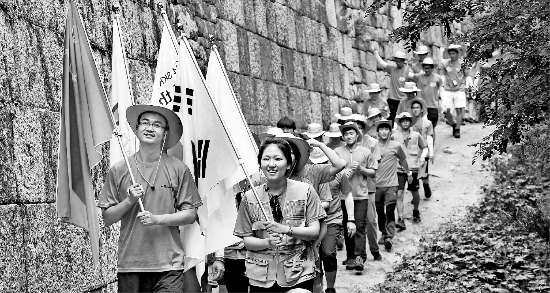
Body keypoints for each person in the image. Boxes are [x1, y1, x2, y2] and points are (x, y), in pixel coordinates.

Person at [99, 105, 202, 292]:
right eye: (144, 123)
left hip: (169, 264)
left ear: (165, 133)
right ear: (136, 129)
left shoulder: (179, 169)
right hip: (131, 263)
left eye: (157, 125)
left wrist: (158, 219)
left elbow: (190, 214)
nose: (150, 128)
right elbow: (107, 218)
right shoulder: (120, 169)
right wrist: (129, 201)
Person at [234, 137, 326, 292]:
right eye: (266, 159)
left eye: (278, 159)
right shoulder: (250, 197)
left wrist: (286, 229)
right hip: (260, 277)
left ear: (289, 163)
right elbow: (247, 240)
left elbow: (314, 232)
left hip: (298, 272)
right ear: (260, 163)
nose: (271, 164)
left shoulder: (306, 191)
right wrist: (267, 243)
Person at [309, 147, 355, 293]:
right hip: (311, 221)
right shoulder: (307, 174)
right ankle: (318, 287)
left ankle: (330, 288)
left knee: (328, 253)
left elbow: (347, 195)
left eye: (323, 161)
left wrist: (351, 219)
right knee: (313, 256)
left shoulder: (339, 174)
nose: (320, 165)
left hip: (332, 219)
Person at [334, 122, 377, 272]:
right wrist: (342, 173)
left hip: (360, 195)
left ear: (357, 135)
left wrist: (361, 169)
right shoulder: (337, 152)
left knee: (359, 226)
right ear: (343, 137)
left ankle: (359, 257)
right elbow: (330, 171)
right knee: (347, 227)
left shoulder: (365, 151)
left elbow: (373, 172)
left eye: (351, 133)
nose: (349, 136)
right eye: (346, 134)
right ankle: (351, 255)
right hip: (343, 196)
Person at [374, 119, 411, 252]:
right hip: (376, 185)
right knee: (379, 212)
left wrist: (408, 173)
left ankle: (389, 236)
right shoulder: (373, 146)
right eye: (381, 129)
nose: (384, 131)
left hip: (392, 184)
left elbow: (403, 160)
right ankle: (383, 232)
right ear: (377, 131)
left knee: (389, 210)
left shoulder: (396, 145)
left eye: (386, 129)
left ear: (390, 131)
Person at [353, 115, 383, 262]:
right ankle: (358, 255)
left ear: (363, 128)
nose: (357, 130)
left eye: (360, 127)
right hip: (351, 189)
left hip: (368, 188)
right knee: (355, 224)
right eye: (354, 127)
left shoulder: (372, 143)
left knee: (370, 221)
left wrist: (361, 168)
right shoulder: (345, 144)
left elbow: (375, 166)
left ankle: (374, 249)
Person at [392, 112, 428, 228]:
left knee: (414, 192)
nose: (405, 122)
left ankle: (416, 210)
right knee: (399, 193)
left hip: (414, 168)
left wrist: (423, 156)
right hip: (399, 168)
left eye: (407, 120)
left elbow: (425, 147)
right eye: (403, 121)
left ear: (410, 122)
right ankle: (400, 218)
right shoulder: (395, 136)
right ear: (400, 123)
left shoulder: (416, 135)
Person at [439, 44, 474, 138]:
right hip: (448, 89)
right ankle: (453, 124)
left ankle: (457, 129)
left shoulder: (463, 63)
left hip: (460, 89)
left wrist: (472, 86)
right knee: (446, 111)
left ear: (457, 54)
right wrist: (440, 86)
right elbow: (443, 75)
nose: (452, 55)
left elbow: (467, 76)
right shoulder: (445, 63)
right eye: (450, 53)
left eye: (453, 53)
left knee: (459, 109)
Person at [373, 50, 413, 124]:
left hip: (403, 99)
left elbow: (414, 78)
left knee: (402, 119)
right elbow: (382, 63)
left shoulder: (407, 70)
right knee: (390, 118)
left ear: (403, 61)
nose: (397, 63)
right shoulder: (392, 69)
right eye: (396, 61)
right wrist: (375, 53)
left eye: (399, 61)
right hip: (392, 99)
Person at [408, 99, 435, 199]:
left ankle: (426, 185)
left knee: (423, 173)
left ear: (421, 110)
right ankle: (416, 196)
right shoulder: (408, 123)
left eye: (417, 108)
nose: (415, 110)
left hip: (424, 150)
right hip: (412, 152)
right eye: (413, 108)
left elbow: (429, 137)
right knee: (413, 174)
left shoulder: (427, 123)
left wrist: (431, 152)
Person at [410, 58, 443, 132]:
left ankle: (431, 143)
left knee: (431, 128)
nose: (427, 70)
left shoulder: (438, 78)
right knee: (419, 127)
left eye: (429, 68)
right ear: (423, 68)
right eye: (425, 68)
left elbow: (441, 89)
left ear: (432, 68)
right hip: (420, 107)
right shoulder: (419, 77)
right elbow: (409, 75)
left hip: (433, 107)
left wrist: (442, 103)